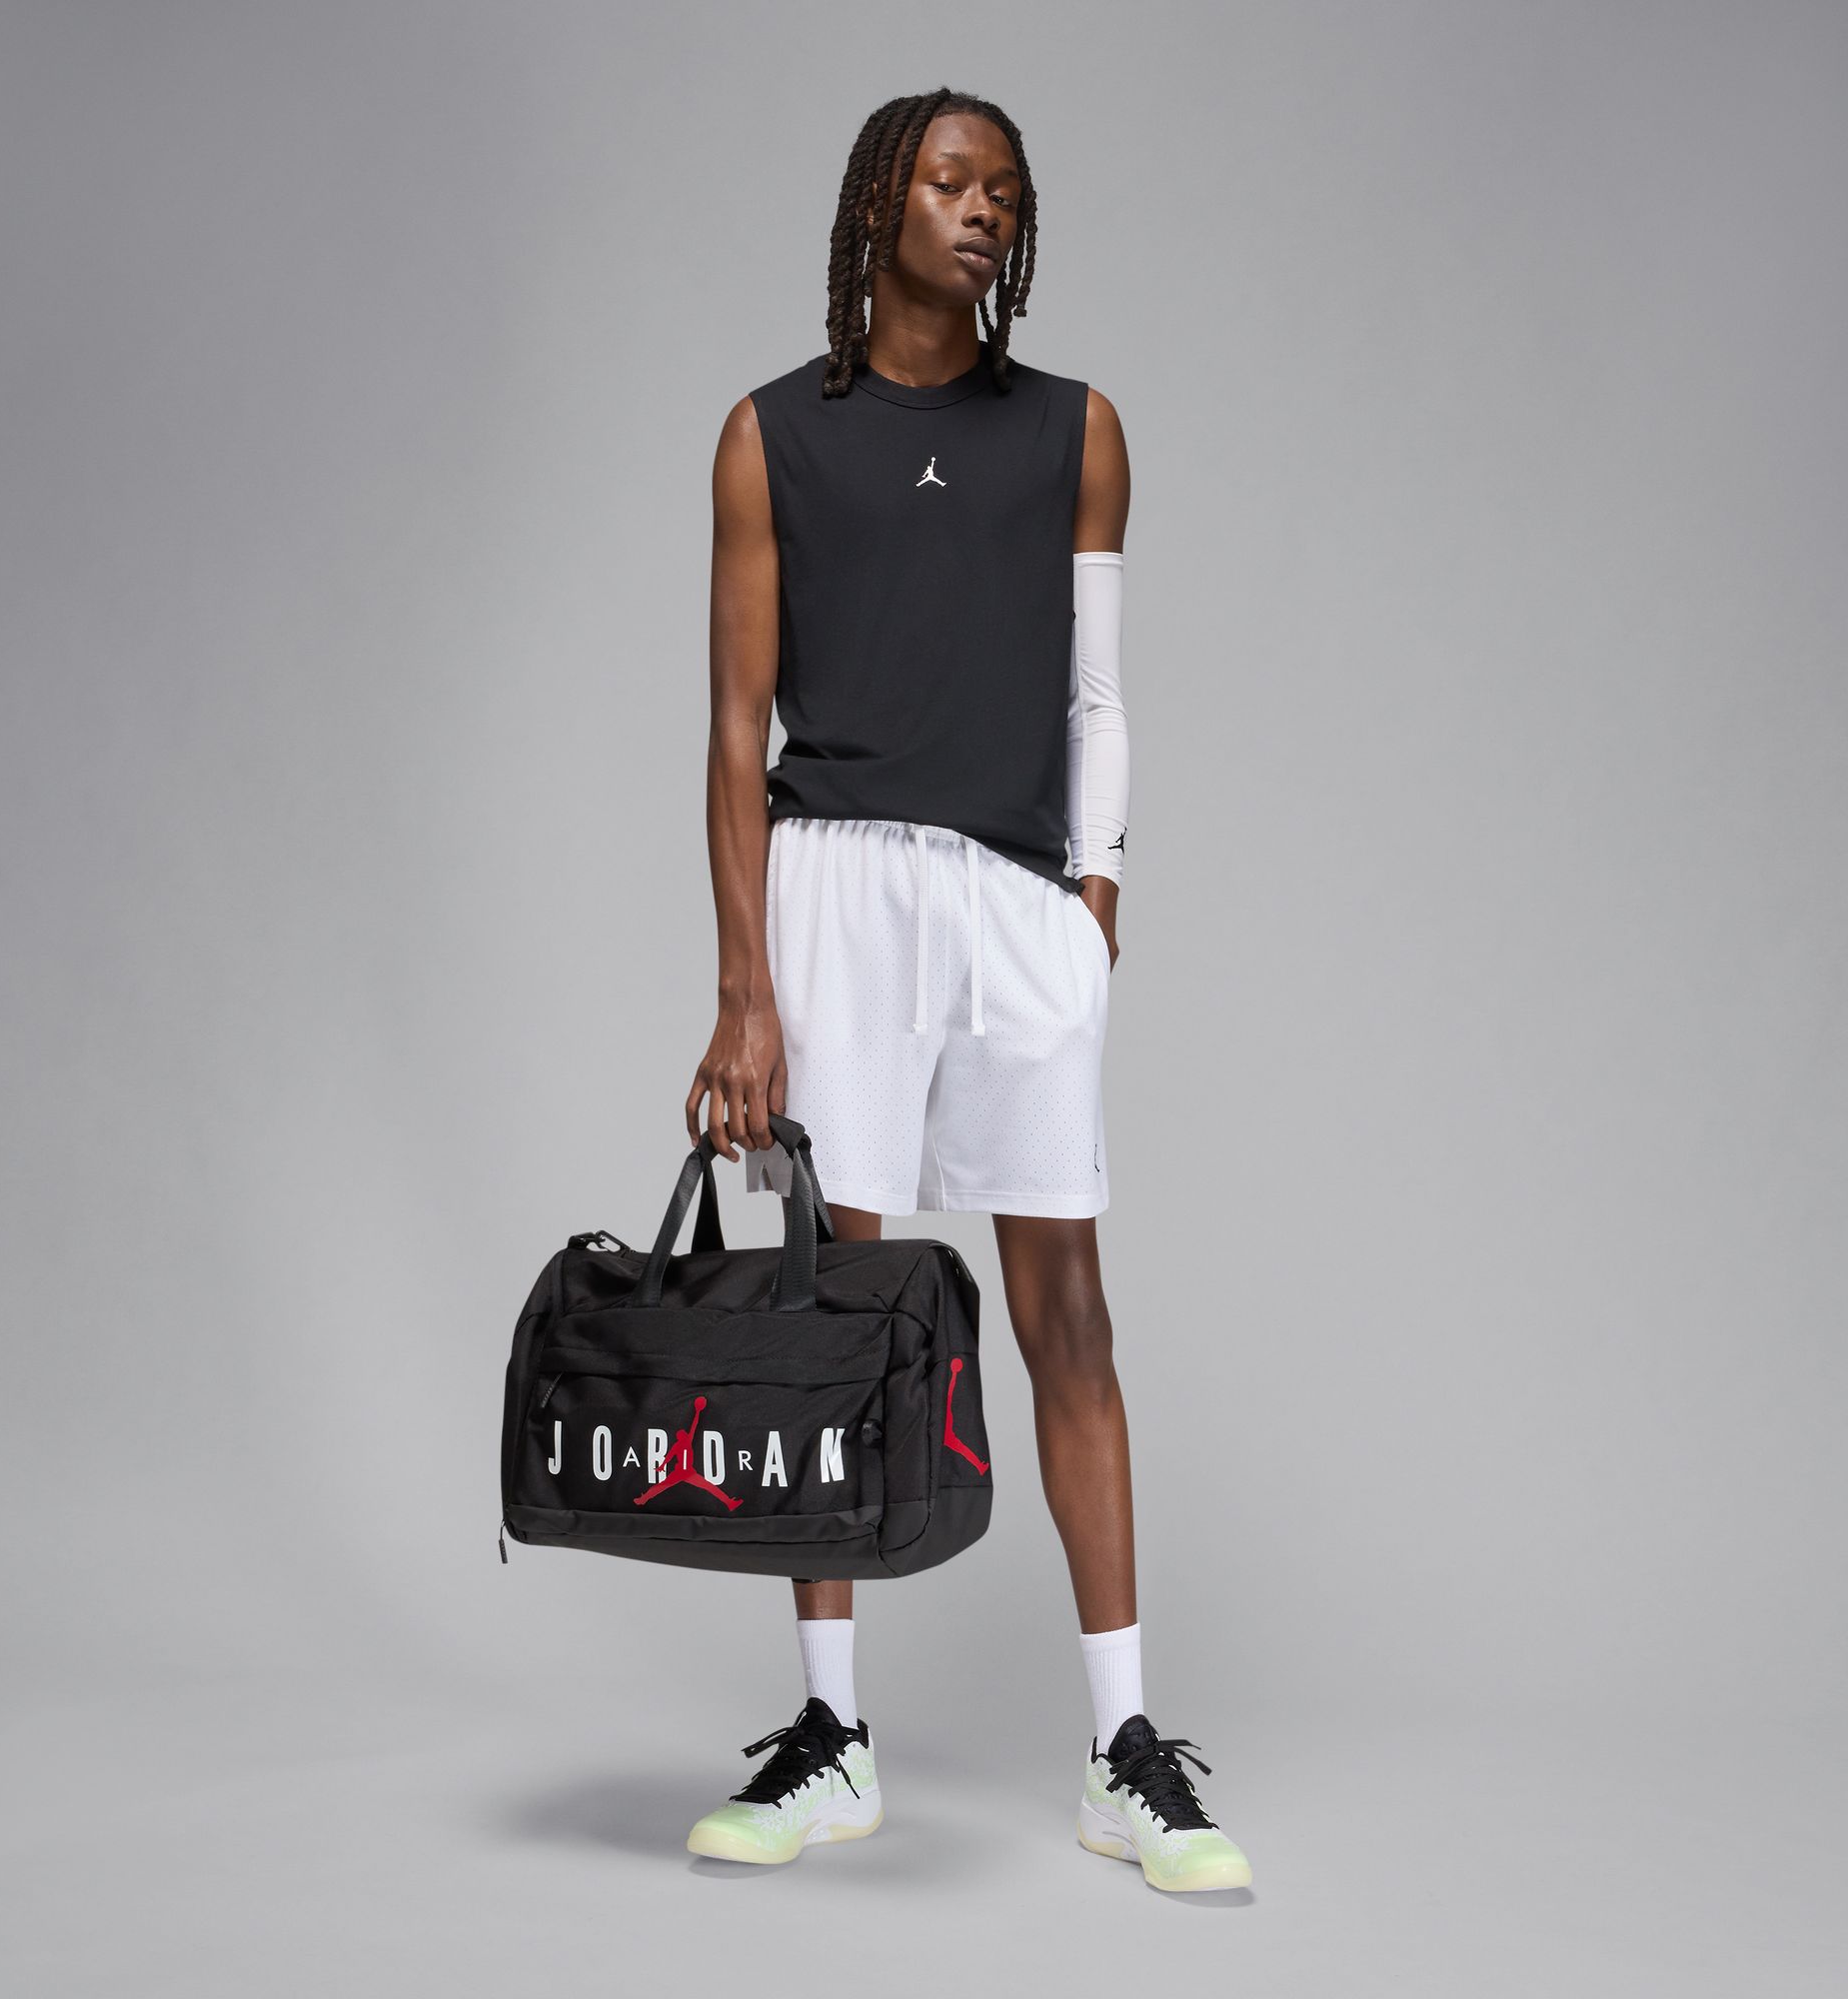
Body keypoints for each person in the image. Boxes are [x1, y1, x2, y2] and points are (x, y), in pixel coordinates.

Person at [680, 87, 1250, 1894]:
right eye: (949, 181)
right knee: (829, 1307)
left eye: (1006, 188)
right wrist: (745, 992)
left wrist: (1096, 903)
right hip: (834, 885)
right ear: (881, 207)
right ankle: (832, 1736)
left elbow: (1097, 694)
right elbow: (734, 728)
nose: (982, 209)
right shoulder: (772, 436)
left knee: (1065, 1303)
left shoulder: (1076, 430)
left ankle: (1125, 1752)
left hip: (1014, 903)